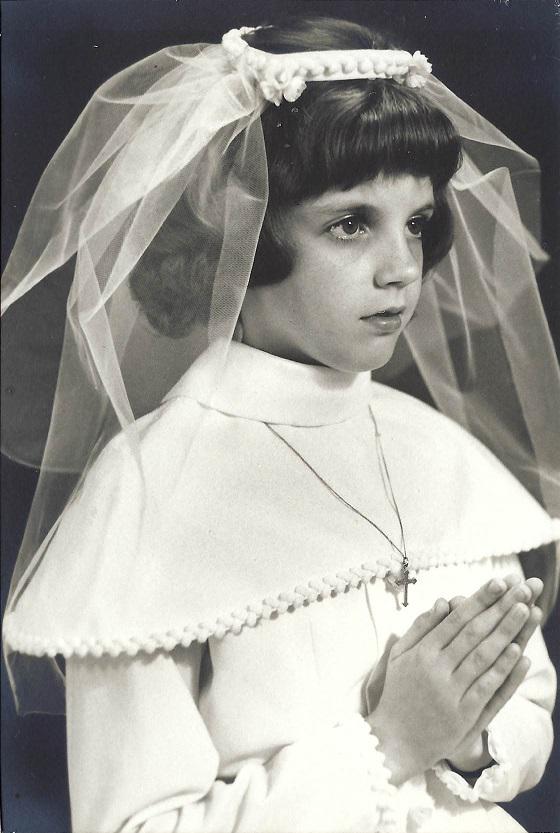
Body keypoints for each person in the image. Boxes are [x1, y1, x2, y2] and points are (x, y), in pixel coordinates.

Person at [2, 15, 559, 833]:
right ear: (247, 232)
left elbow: (529, 704)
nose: (402, 269)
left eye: (416, 221)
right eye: (350, 223)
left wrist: (474, 738)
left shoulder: (441, 452)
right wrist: (389, 741)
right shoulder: (153, 487)